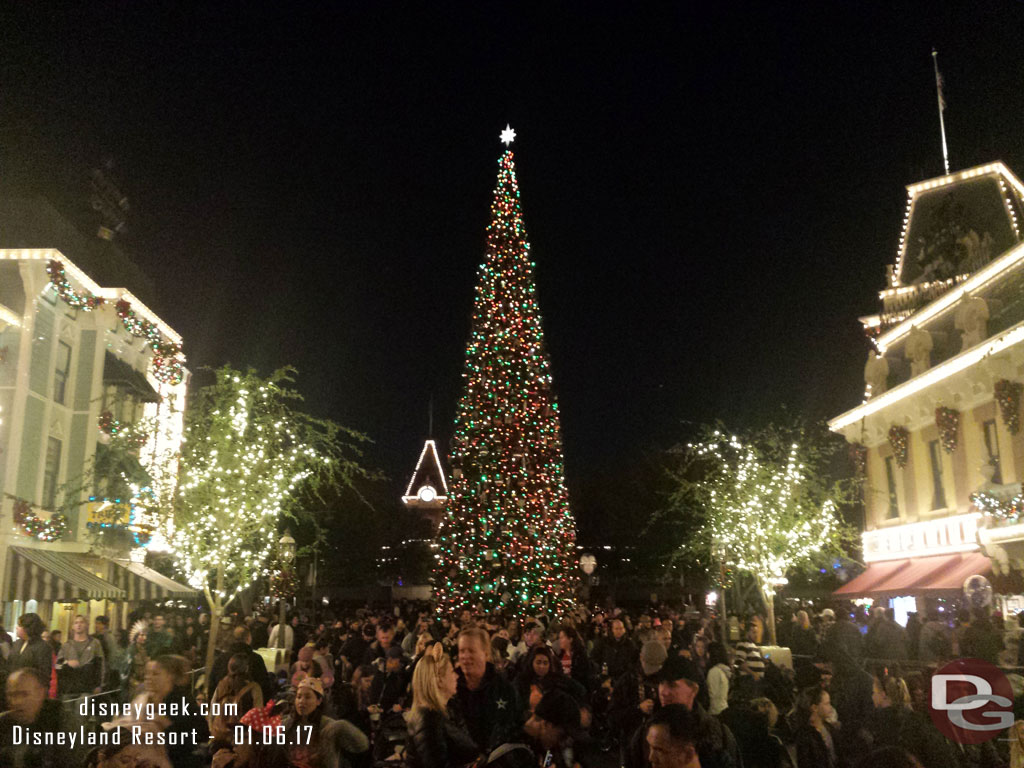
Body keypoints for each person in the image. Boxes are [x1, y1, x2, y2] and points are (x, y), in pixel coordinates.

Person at [406, 642, 481, 768]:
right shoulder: (429, 720)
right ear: (439, 680)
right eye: (451, 671)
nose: (456, 676)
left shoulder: (443, 711)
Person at [454, 626, 521, 752]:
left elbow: (513, 725)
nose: (465, 656)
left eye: (471, 651)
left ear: (485, 653)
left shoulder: (503, 688)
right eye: (462, 651)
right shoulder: (450, 688)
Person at [283, 676, 370, 768]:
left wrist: (341, 725)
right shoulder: (288, 724)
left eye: (307, 697)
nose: (301, 701)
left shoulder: (328, 725)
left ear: (319, 701)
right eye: (298, 697)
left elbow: (362, 745)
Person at [0, 668, 74, 767]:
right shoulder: (4, 723)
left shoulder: (62, 723)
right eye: (11, 695)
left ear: (40, 693)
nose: (16, 701)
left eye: (24, 694)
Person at [524, 689, 590, 768]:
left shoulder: (546, 749)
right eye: (562, 735)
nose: (563, 743)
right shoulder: (515, 753)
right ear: (547, 725)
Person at [209, 653, 263, 748]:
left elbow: (212, 711)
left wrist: (213, 731)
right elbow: (257, 717)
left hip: (220, 738)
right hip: (242, 741)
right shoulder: (254, 688)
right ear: (247, 668)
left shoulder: (221, 685)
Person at [57, 613, 106, 695]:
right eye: (76, 623)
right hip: (69, 689)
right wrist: (67, 663)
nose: (79, 625)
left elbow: (101, 665)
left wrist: (99, 685)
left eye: (81, 622)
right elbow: (57, 666)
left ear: (86, 625)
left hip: (87, 688)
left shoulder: (94, 643)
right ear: (73, 626)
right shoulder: (66, 645)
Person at [794, 685, 838, 768]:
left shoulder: (828, 728)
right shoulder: (805, 736)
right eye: (827, 703)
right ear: (815, 708)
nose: (831, 707)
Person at [9, 612, 53, 685]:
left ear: (28, 628)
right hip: (13, 686)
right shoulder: (17, 643)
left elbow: (44, 674)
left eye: (19, 625)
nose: (17, 627)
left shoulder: (43, 647)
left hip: (30, 688)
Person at [705, 642, 731, 716]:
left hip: (715, 710)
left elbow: (712, 694)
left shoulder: (714, 671)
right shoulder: (724, 670)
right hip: (724, 707)